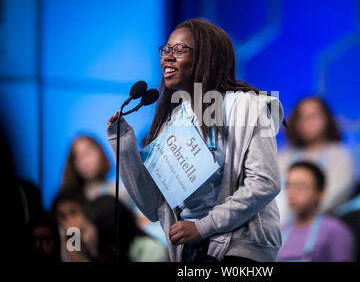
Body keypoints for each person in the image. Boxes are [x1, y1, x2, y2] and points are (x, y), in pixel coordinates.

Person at [106, 18, 284, 262]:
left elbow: (266, 182)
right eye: (166, 50)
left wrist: (203, 227)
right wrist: (124, 146)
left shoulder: (250, 106)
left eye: (179, 49)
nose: (167, 57)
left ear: (207, 56)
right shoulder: (173, 121)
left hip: (240, 248)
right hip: (191, 249)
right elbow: (153, 206)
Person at [61, 135, 165, 244]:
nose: (85, 160)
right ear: (73, 164)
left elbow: (141, 219)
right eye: (78, 156)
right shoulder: (70, 202)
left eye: (88, 153)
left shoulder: (121, 191)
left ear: (100, 153)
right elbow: (71, 238)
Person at [277, 97, 356, 225]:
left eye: (313, 116)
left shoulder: (339, 154)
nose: (307, 122)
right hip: (280, 221)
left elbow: (337, 193)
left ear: (326, 119)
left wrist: (303, 210)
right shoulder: (284, 154)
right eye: (302, 117)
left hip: (321, 221)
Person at [276, 162, 355, 262]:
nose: (292, 193)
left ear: (319, 193)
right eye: (288, 186)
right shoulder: (280, 232)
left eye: (300, 186)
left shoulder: (335, 231)